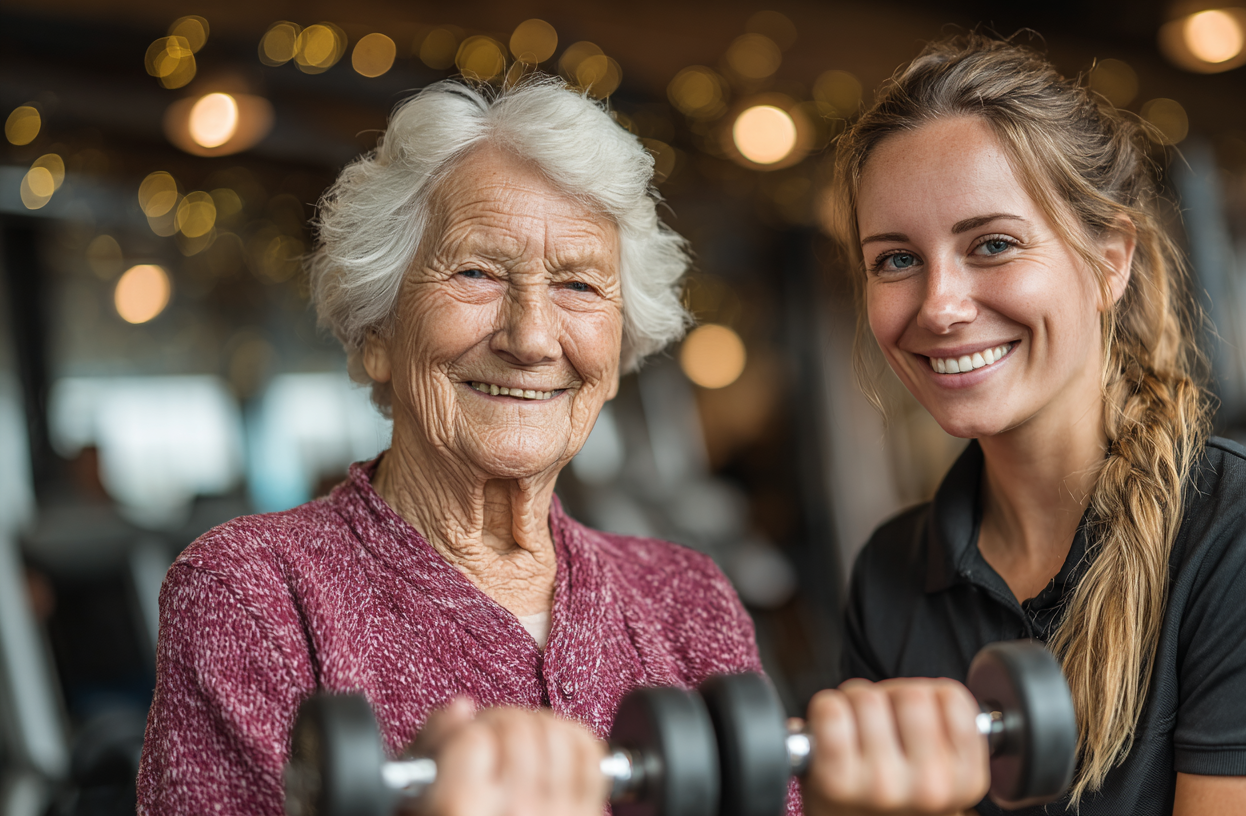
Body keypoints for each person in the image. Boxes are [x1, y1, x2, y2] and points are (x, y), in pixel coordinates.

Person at [137, 76, 993, 816]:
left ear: (616, 357)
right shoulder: (251, 593)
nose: (533, 336)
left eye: (580, 285)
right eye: (476, 272)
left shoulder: (686, 598)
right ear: (375, 333)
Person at [833, 35, 1246, 816]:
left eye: (992, 245)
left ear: (1111, 259)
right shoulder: (892, 575)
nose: (939, 305)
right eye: (895, 260)